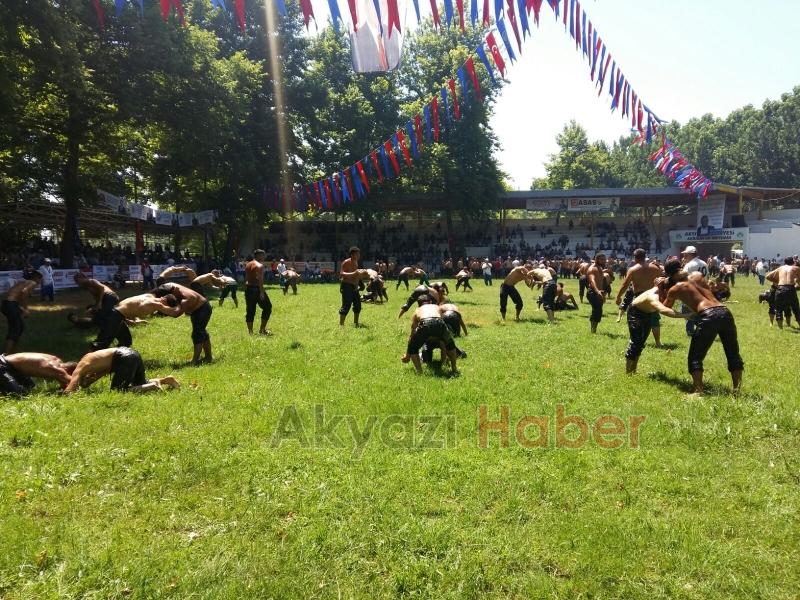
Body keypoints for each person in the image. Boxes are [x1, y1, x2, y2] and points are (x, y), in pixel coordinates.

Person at [662, 259, 744, 394]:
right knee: (732, 353)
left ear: (669, 275)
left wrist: (661, 288)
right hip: (724, 311)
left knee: (695, 357)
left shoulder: (675, 289)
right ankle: (737, 390)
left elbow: (665, 308)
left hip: (708, 316)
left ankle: (698, 390)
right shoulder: (698, 275)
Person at [616, 249, 668, 373]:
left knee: (635, 339)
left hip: (638, 302)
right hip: (651, 301)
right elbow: (662, 283)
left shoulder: (633, 269)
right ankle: (634, 368)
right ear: (645, 256)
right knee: (643, 337)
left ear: (635, 257)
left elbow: (624, 285)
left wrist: (618, 297)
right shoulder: (656, 268)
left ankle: (629, 370)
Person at [63, 347, 180, 394]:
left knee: (118, 391)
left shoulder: (81, 367)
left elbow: (71, 387)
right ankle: (166, 380)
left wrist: (66, 393)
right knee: (140, 384)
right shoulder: (91, 361)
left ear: (71, 370)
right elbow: (87, 383)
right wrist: (84, 383)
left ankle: (153, 386)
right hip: (131, 353)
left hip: (123, 357)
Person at [93, 293, 182, 350]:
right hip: (115, 316)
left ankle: (114, 358)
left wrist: (133, 320)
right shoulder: (157, 304)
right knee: (101, 343)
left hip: (115, 312)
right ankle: (83, 363)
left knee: (126, 341)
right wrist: (183, 304)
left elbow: (132, 306)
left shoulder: (149, 295)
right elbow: (173, 313)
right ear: (166, 303)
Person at [154, 283, 214, 365]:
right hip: (198, 309)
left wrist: (161, 308)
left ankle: (195, 361)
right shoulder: (173, 286)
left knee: (197, 334)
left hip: (203, 309)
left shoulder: (186, 299)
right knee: (202, 332)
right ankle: (208, 357)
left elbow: (176, 314)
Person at [401, 297, 459, 375]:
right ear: (431, 302)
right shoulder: (436, 306)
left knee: (413, 348)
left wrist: (408, 355)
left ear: (419, 304)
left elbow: (412, 333)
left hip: (425, 323)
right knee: (450, 344)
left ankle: (419, 372)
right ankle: (454, 369)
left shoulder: (418, 310)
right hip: (439, 323)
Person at [74, 272, 122, 349]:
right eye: (75, 281)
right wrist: (94, 307)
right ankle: (105, 338)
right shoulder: (86, 286)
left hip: (110, 297)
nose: (77, 282)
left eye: (77, 280)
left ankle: (101, 341)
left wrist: (99, 303)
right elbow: (97, 297)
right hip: (105, 299)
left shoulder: (91, 281)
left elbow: (102, 289)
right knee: (101, 317)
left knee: (102, 318)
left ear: (82, 278)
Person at [1, 271, 42, 354]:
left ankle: (13, 351)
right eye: (40, 279)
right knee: (15, 329)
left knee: (19, 327)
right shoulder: (33, 282)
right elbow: (24, 292)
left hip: (7, 304)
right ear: (36, 278)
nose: (40, 282)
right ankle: (5, 356)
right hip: (11, 304)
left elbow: (13, 294)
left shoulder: (22, 282)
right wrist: (25, 308)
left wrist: (20, 308)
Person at [0, 352, 76, 396]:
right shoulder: (54, 367)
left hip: (14, 368)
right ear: (66, 370)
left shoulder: (57, 362)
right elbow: (74, 381)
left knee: (30, 387)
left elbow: (64, 384)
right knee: (17, 395)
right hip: (2, 366)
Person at [680, 246, 708, 336]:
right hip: (702, 291)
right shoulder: (704, 263)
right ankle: (703, 327)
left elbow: (682, 278)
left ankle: (691, 331)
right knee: (698, 311)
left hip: (691, 292)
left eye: (685, 255)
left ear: (690, 255)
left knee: (687, 311)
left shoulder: (689, 265)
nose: (684, 257)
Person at [766, 257, 800, 329]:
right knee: (796, 309)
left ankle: (780, 328)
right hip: (791, 289)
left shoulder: (780, 268)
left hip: (780, 289)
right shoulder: (796, 268)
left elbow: (768, 276)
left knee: (779, 309)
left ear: (784, 262)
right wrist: (798, 284)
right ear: (793, 262)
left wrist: (778, 282)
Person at [339, 247, 368, 327]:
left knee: (358, 305)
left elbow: (357, 274)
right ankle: (341, 325)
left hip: (354, 286)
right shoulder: (346, 262)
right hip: (346, 286)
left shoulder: (356, 262)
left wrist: (360, 283)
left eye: (359, 253)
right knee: (346, 305)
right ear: (352, 255)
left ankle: (356, 323)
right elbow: (341, 274)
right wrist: (354, 273)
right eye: (357, 254)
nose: (359, 255)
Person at [245, 250, 272, 335]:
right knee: (268, 307)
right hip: (256, 289)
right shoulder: (259, 265)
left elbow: (247, 278)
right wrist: (261, 292)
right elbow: (260, 280)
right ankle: (262, 329)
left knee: (250, 310)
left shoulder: (248, 264)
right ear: (259, 256)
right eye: (263, 255)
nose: (264, 257)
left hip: (248, 289)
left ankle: (250, 332)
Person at [586, 254, 608, 334]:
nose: (604, 261)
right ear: (597, 259)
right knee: (597, 311)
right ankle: (593, 331)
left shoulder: (599, 268)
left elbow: (601, 281)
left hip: (598, 292)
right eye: (602, 259)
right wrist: (597, 291)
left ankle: (594, 330)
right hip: (593, 292)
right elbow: (592, 281)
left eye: (604, 259)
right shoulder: (593, 269)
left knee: (598, 311)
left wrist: (602, 292)